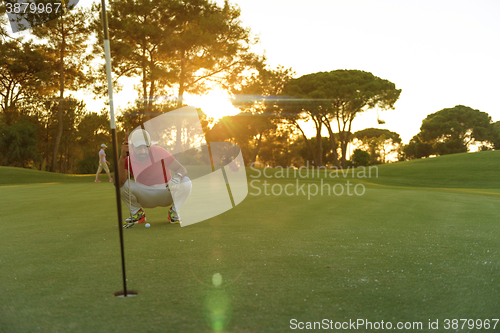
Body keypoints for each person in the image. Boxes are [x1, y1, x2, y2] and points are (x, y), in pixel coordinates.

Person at [117, 129, 192, 228]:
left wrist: (177, 178)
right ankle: (137, 214)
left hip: (166, 191)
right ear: (132, 146)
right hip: (144, 195)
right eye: (139, 147)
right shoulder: (127, 157)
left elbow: (181, 169)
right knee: (122, 186)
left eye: (146, 147)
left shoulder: (159, 151)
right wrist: (122, 157)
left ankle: (174, 212)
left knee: (186, 181)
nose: (143, 151)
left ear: (150, 145)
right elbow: (119, 182)